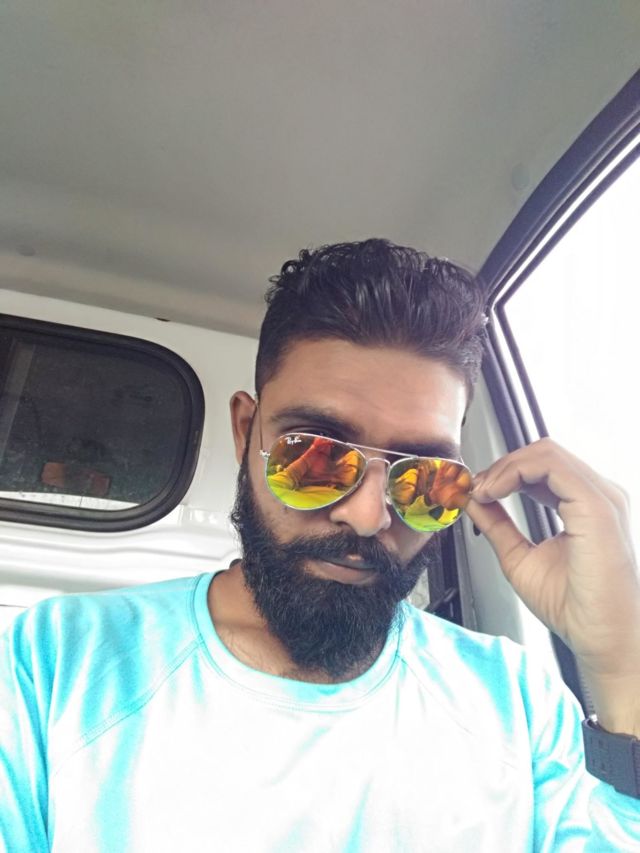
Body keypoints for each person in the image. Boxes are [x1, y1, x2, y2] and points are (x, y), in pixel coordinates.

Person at [1, 239, 639, 851]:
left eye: (422, 477)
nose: (366, 516)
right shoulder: (57, 662)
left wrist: (622, 664)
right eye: (313, 456)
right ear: (246, 432)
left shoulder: (517, 702)